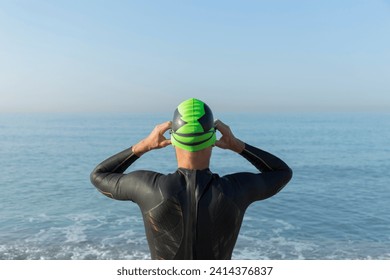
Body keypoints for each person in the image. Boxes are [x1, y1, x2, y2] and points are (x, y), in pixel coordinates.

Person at [90, 98, 292, 260]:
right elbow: (282, 172)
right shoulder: (234, 190)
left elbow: (99, 175)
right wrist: (237, 145)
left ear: (172, 140)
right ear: (213, 140)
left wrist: (144, 145)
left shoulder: (149, 188)